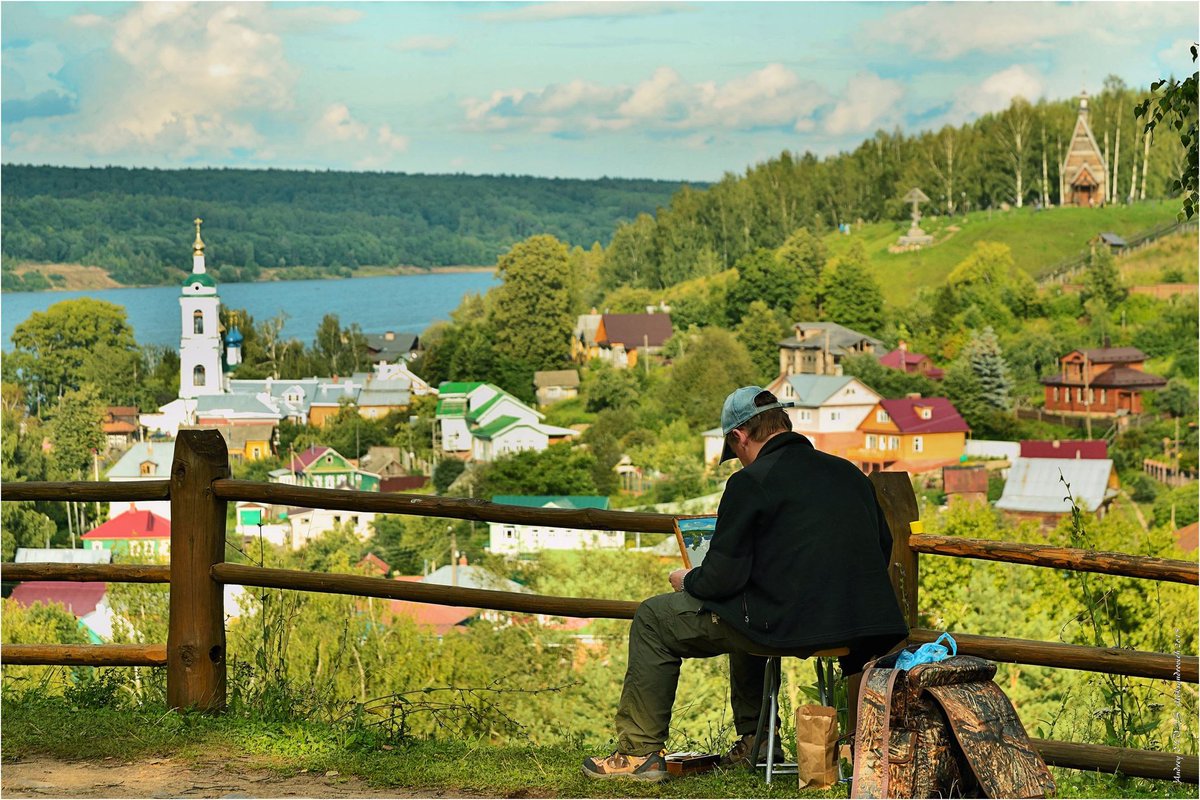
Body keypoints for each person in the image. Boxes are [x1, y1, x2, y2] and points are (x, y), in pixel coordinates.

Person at [582, 386, 908, 782]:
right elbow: (883, 545)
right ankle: (757, 742)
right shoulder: (850, 474)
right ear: (783, 424)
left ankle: (638, 755)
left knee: (654, 617)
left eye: (734, 452)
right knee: (742, 612)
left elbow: (721, 578)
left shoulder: (751, 483)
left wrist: (688, 579)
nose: (737, 461)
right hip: (859, 629)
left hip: (786, 627)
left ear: (740, 436)